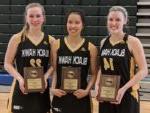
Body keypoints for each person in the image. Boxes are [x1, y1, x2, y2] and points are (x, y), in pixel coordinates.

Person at [96, 6, 148, 113]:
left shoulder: (133, 41)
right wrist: (97, 85)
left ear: (125, 21)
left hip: (127, 95)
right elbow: (102, 68)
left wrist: (123, 89)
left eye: (118, 20)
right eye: (111, 19)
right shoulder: (103, 42)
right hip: (107, 94)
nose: (113, 23)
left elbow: (144, 70)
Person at [4, 3, 55, 113]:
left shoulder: (51, 41)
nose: (35, 19)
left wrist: (45, 77)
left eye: (38, 16)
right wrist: (20, 79)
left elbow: (54, 65)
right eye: (31, 16)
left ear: (43, 18)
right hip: (21, 88)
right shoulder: (17, 38)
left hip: (41, 90)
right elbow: (7, 64)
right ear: (26, 17)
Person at [51, 9, 98, 113]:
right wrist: (53, 89)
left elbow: (94, 74)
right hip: (60, 95)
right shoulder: (56, 45)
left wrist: (87, 91)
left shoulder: (91, 48)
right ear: (66, 23)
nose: (73, 26)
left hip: (80, 97)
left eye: (77, 22)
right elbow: (55, 71)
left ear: (83, 25)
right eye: (70, 22)